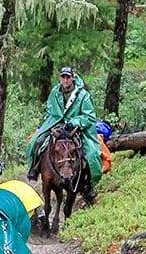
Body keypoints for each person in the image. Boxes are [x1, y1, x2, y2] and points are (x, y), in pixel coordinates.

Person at [26, 66, 103, 203]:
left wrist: (74, 122)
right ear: (60, 78)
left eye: (68, 77)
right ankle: (34, 168)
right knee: (37, 141)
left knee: (91, 154)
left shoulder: (83, 95)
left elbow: (89, 116)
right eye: (63, 77)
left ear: (73, 78)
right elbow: (50, 111)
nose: (66, 80)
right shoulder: (55, 92)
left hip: (77, 127)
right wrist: (49, 124)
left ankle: (88, 184)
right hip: (56, 124)